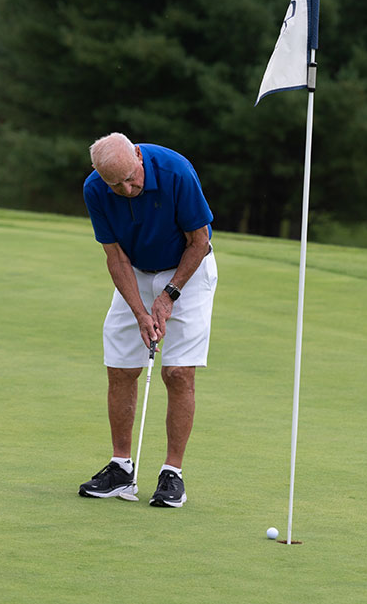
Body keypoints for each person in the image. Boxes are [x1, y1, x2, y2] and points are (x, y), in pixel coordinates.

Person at [78, 132, 217, 508]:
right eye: (115, 184)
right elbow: (116, 257)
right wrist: (141, 311)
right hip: (135, 269)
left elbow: (199, 242)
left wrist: (168, 296)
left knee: (178, 372)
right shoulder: (96, 190)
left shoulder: (176, 171)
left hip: (188, 268)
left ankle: (173, 474)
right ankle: (121, 468)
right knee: (122, 368)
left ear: (138, 156)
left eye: (130, 177)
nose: (127, 188)